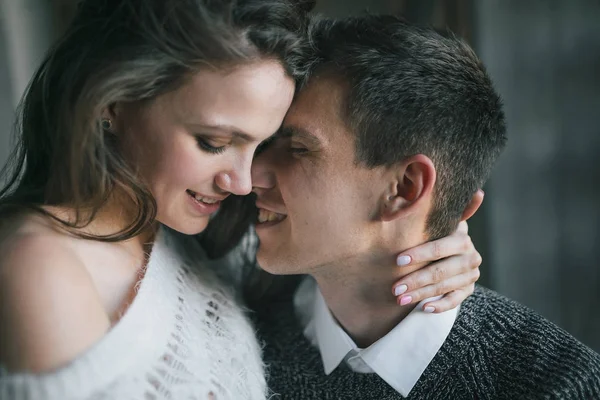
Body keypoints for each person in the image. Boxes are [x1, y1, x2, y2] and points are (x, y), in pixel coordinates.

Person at [0, 1, 483, 399]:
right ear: (111, 102)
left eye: (265, 143)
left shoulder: (209, 236)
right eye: (213, 142)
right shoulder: (41, 267)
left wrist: (432, 236)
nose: (242, 180)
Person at [250, 15, 600, 399]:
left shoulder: (560, 385)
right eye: (268, 143)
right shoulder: (236, 330)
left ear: (404, 188)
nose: (251, 173)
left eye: (298, 148)